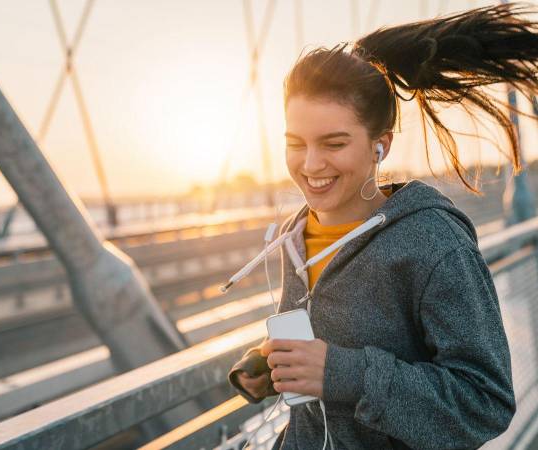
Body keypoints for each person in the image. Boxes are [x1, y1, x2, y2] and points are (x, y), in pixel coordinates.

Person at [227, 3, 538, 449]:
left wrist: (341, 374)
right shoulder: (295, 235)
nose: (310, 165)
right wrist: (269, 365)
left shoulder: (434, 243)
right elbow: (326, 346)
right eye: (296, 143)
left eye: (334, 143)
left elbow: (485, 402)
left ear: (380, 146)